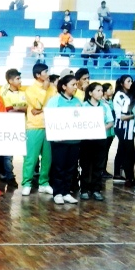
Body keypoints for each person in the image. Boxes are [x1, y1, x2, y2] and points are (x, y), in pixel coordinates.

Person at [46, 74, 82, 205]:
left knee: (71, 168)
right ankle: (58, 193)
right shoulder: (55, 100)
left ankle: (67, 192)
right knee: (59, 167)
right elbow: (49, 118)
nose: (75, 87)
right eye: (72, 84)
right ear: (64, 86)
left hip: (74, 141)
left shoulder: (78, 101)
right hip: (59, 141)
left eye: (76, 85)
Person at [21, 63, 56, 196]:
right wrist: (43, 90)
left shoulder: (52, 88)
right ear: (37, 75)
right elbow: (37, 104)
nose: (47, 73)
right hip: (34, 126)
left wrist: (41, 109)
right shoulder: (30, 90)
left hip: (50, 125)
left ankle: (44, 183)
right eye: (45, 71)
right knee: (31, 157)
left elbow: (53, 105)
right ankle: (26, 183)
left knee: (48, 158)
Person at [80, 82, 113, 201]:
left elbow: (110, 122)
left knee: (98, 166)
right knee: (85, 165)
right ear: (90, 93)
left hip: (100, 140)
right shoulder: (83, 106)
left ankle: (96, 190)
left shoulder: (105, 106)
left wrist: (101, 128)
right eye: (98, 90)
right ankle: (84, 189)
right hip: (86, 140)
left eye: (101, 91)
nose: (101, 93)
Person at [0, 69, 26, 188]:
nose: (20, 81)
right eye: (18, 79)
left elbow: (28, 109)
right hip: (9, 128)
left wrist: (17, 108)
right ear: (10, 81)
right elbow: (9, 111)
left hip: (23, 128)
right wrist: (21, 109)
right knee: (8, 156)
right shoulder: (5, 95)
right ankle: (9, 176)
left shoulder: (23, 94)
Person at [113, 75, 135, 184]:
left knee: (121, 149)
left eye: (132, 81)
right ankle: (117, 172)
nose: (131, 83)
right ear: (122, 84)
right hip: (121, 126)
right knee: (123, 149)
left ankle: (117, 172)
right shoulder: (120, 95)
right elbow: (124, 113)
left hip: (125, 126)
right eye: (128, 81)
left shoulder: (127, 95)